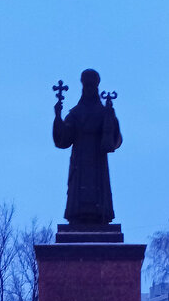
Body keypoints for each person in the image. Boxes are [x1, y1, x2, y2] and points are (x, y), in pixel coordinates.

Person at [52, 69, 122, 224]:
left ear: (96, 87)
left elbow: (114, 140)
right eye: (87, 85)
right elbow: (64, 139)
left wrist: (111, 118)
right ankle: (78, 215)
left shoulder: (104, 112)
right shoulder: (76, 113)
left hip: (98, 160)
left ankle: (99, 215)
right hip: (80, 159)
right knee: (79, 189)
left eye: (92, 85)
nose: (89, 88)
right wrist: (57, 117)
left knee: (98, 189)